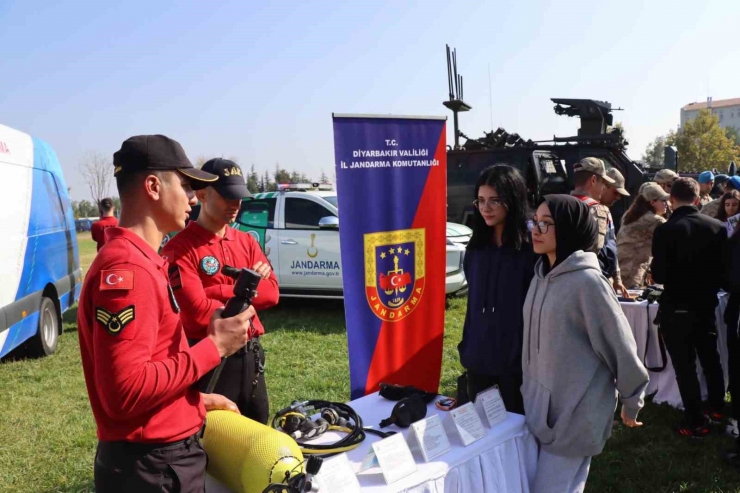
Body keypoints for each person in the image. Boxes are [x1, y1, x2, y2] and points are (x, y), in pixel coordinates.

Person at [78, 135, 255, 493]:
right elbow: (124, 393)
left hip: (155, 459)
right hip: (152, 466)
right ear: (154, 186)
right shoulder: (130, 270)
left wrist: (194, 400)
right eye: (187, 185)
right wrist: (214, 347)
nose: (193, 198)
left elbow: (150, 365)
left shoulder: (140, 260)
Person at [523, 194, 649, 493]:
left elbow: (621, 347)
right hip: (540, 410)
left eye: (546, 223)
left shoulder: (589, 283)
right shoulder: (540, 276)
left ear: (569, 227)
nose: (536, 230)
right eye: (534, 222)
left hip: (576, 414)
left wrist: (632, 401)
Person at [161, 158, 279, 424]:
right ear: (202, 194)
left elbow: (272, 293)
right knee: (217, 442)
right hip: (210, 360)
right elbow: (198, 315)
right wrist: (245, 287)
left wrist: (214, 290)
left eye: (239, 197)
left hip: (250, 358)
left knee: (258, 433)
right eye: (227, 196)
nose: (236, 204)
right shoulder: (180, 249)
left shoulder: (246, 241)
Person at [651, 177, 727, 437]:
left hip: (677, 306)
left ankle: (695, 421)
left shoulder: (666, 230)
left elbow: (659, 275)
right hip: (706, 303)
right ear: (697, 199)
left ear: (672, 199)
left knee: (685, 366)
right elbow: (723, 270)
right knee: (710, 359)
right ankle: (717, 408)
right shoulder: (717, 226)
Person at [457, 165, 535, 414]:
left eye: (494, 200)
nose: (485, 208)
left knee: (515, 432)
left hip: (518, 362)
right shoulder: (476, 247)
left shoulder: (532, 248)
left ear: (513, 200)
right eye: (480, 200)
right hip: (478, 356)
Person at [570, 157, 631, 298]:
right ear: (593, 180)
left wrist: (617, 278)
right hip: (593, 282)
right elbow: (597, 249)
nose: (603, 187)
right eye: (603, 183)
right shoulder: (598, 210)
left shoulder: (559, 206)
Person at [616, 183, 669, 289]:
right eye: (663, 200)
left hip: (619, 270)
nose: (666, 204)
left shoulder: (629, 215)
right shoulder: (655, 220)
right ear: (653, 202)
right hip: (632, 274)